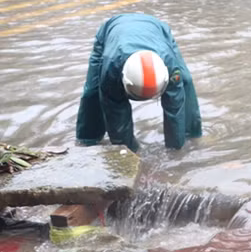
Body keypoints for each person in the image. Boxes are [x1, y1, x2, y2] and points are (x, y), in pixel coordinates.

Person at [76, 13, 203, 153]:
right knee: (92, 92)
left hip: (157, 29)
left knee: (185, 81)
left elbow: (175, 108)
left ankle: (190, 136)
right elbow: (116, 119)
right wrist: (130, 153)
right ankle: (88, 140)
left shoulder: (169, 66)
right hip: (111, 31)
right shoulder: (110, 70)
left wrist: (175, 151)